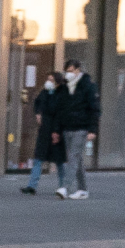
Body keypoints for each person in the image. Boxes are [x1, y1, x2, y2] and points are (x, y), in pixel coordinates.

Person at [49, 57, 100, 199]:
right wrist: (57, 130)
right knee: (77, 159)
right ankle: (83, 189)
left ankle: (65, 187)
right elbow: (60, 109)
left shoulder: (88, 85)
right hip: (68, 127)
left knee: (73, 157)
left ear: (78, 70)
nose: (68, 74)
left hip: (82, 127)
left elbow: (94, 109)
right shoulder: (65, 87)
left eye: (71, 71)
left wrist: (92, 129)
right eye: (67, 71)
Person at [20, 72, 67, 194]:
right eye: (48, 79)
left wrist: (57, 131)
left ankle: (63, 186)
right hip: (45, 130)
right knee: (38, 158)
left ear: (57, 82)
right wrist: (38, 113)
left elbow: (58, 112)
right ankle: (32, 186)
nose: (48, 81)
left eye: (51, 80)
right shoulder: (45, 91)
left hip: (56, 131)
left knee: (59, 161)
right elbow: (38, 102)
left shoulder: (61, 94)